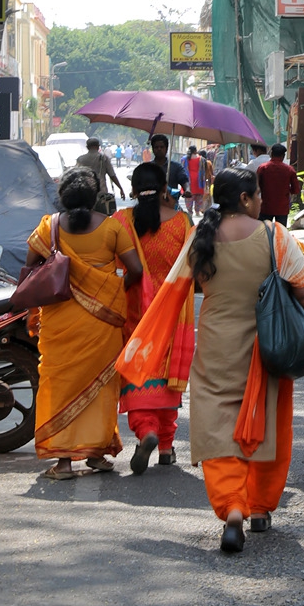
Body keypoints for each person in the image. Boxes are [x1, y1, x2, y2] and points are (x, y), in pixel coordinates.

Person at [120, 166, 304, 551]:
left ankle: (232, 508)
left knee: (217, 424)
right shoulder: (275, 236)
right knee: (267, 422)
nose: (263, 201)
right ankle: (261, 507)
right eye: (259, 195)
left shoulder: (202, 236)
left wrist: (146, 344)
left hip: (215, 345)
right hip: (267, 349)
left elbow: (174, 291)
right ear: (245, 200)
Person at [25, 167, 143, 479]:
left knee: (59, 384)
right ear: (94, 197)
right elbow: (135, 269)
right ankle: (96, 454)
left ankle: (63, 462)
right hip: (101, 323)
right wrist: (115, 290)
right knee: (101, 386)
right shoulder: (112, 228)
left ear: (62, 195)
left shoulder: (48, 227)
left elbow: (31, 267)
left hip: (58, 320)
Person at [113, 163, 194, 471]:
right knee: (167, 379)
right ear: (165, 189)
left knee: (139, 374)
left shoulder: (121, 221)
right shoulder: (183, 224)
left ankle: (145, 430)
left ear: (133, 190)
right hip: (172, 315)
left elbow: (114, 265)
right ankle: (165, 446)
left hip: (135, 314)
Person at [75, 136, 124, 215]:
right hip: (101, 192)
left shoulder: (80, 159)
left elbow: (76, 176)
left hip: (85, 192)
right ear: (98, 146)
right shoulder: (104, 158)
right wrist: (120, 188)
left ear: (87, 147)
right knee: (102, 217)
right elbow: (112, 175)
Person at [257, 144, 301, 226]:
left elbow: (256, 187)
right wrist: (287, 190)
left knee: (264, 232)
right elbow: (296, 190)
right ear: (283, 156)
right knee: (281, 233)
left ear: (271, 154)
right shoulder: (289, 170)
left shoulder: (263, 168)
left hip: (266, 207)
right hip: (282, 208)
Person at [150, 133, 189, 204]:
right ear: (153, 149)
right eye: (156, 147)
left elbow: (184, 180)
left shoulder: (176, 167)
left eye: (162, 147)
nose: (159, 149)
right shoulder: (147, 167)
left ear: (167, 148)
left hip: (171, 205)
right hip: (152, 206)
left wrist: (187, 190)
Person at [184, 144, 208, 219]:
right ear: (196, 151)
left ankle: (190, 212)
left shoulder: (185, 159)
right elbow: (205, 170)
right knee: (199, 197)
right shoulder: (202, 159)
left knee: (189, 198)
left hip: (189, 180)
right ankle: (197, 212)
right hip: (199, 181)